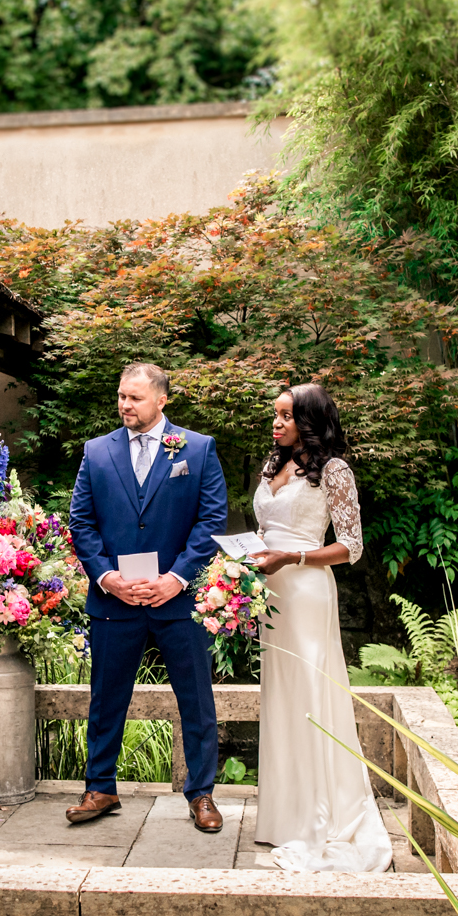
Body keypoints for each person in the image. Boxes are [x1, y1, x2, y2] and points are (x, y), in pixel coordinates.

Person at [68, 363, 228, 831]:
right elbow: (81, 521)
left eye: (135, 398)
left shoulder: (197, 448)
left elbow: (211, 520)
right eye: (121, 396)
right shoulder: (97, 451)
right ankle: (100, 788)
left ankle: (201, 794)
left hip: (178, 601)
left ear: (161, 400)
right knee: (105, 699)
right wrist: (106, 577)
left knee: (196, 700)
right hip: (115, 600)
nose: (125, 405)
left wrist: (177, 578)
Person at [251, 384, 393, 872]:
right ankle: (283, 817)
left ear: (310, 421)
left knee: (310, 692)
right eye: (275, 415)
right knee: (281, 696)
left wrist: (292, 556)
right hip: (270, 595)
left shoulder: (334, 471)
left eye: (286, 416)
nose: (277, 423)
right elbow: (267, 531)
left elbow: (351, 546)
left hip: (307, 591)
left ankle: (318, 817)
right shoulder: (272, 465)